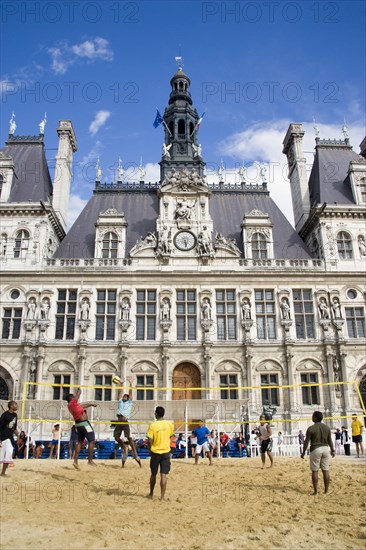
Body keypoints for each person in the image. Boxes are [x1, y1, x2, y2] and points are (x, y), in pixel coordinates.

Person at [301, 410, 335, 495]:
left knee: (315, 471)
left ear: (315, 418)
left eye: (313, 416)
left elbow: (306, 442)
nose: (312, 417)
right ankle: (326, 491)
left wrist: (303, 452)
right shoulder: (326, 427)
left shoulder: (311, 428)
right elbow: (330, 440)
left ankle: (316, 491)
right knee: (325, 470)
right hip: (325, 449)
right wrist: (333, 450)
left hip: (315, 449)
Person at [147, 406, 174, 501]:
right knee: (163, 475)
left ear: (156, 414)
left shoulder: (153, 425)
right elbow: (171, 437)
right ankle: (162, 497)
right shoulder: (169, 424)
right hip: (166, 451)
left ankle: (151, 493)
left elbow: (149, 440)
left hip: (155, 451)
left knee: (153, 474)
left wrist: (150, 450)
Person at [66, 388, 97, 470]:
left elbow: (82, 406)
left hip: (78, 425)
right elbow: (78, 395)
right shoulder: (72, 403)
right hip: (84, 424)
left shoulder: (72, 405)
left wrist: (90, 404)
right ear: (71, 398)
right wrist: (79, 390)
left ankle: (75, 461)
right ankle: (90, 460)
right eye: (73, 397)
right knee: (91, 440)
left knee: (80, 442)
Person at [114, 377, 141, 468]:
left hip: (125, 421)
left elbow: (130, 393)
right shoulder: (120, 402)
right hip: (119, 422)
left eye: (126, 396)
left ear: (128, 398)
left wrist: (130, 384)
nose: (125, 396)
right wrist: (121, 384)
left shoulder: (129, 403)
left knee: (129, 437)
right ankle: (124, 447)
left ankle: (134, 452)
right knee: (116, 437)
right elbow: (119, 393)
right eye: (124, 396)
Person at [0, 401, 18, 476]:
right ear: (11, 406)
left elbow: (14, 427)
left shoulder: (15, 415)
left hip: (10, 438)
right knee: (2, 455)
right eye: (15, 405)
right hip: (3, 437)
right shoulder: (5, 415)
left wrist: (16, 432)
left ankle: (3, 472)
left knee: (9, 453)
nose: (16, 406)